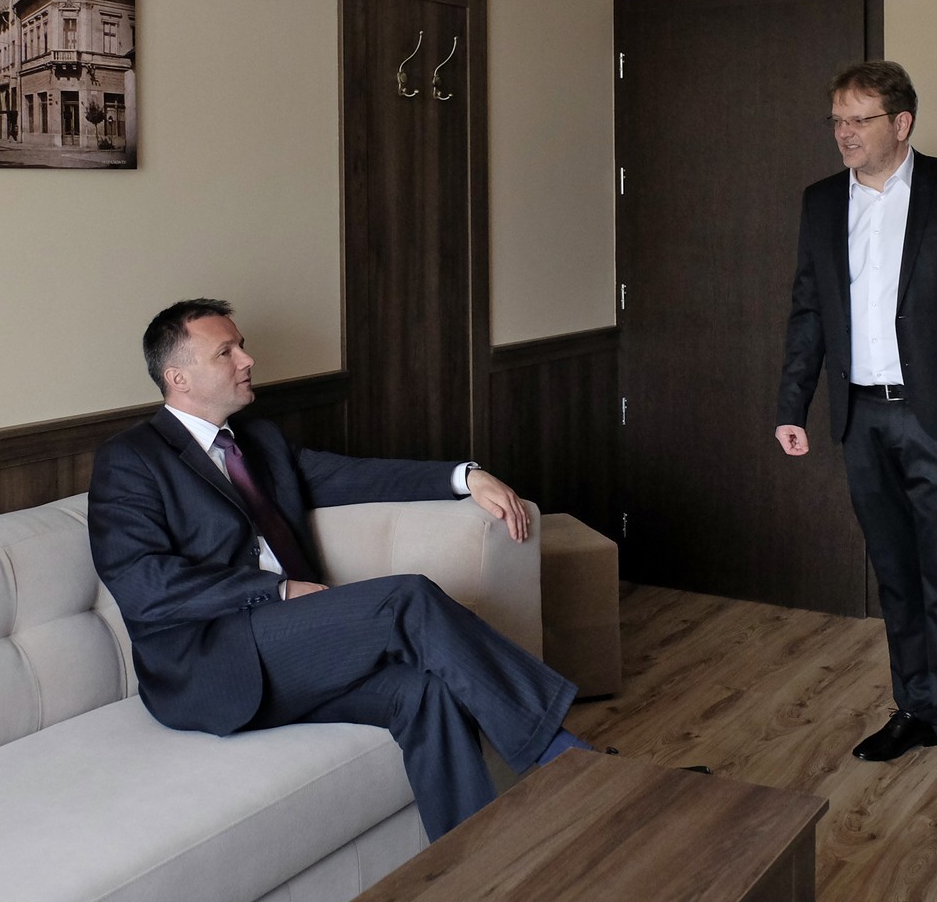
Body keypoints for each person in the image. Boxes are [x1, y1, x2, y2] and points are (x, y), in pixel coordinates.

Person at [87, 298, 583, 841]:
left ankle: (475, 859)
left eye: (241, 346)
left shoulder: (258, 440)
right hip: (209, 664)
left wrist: (466, 477)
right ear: (178, 377)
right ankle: (561, 754)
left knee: (425, 692)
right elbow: (142, 585)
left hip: (289, 647)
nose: (247, 360)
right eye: (226, 352)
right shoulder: (131, 458)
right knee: (406, 599)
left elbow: (356, 477)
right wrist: (276, 591)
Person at [774, 62, 937, 805]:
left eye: (859, 119)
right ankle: (916, 708)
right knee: (894, 572)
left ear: (901, 123)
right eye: (837, 119)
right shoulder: (820, 202)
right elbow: (808, 311)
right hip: (861, 417)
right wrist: (791, 406)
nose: (844, 134)